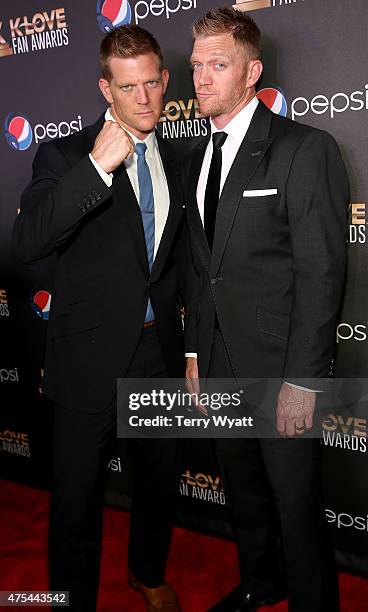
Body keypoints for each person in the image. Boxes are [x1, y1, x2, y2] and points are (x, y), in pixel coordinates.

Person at [13, 24, 186, 612]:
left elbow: (179, 265)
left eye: (151, 85)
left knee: (160, 484)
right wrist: (95, 169)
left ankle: (146, 572)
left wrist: (187, 350)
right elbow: (29, 240)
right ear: (105, 90)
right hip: (86, 361)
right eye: (127, 87)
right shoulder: (64, 156)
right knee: (75, 504)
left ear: (165, 82)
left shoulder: (181, 158)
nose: (143, 99)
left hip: (158, 355)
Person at [184, 7, 349, 612]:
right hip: (220, 361)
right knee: (244, 492)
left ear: (251, 72)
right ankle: (260, 579)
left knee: (294, 502)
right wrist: (197, 352)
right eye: (197, 65)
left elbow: (321, 271)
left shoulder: (304, 148)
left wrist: (302, 381)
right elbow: (202, 268)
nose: (201, 78)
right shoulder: (197, 154)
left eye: (217, 65)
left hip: (282, 367)